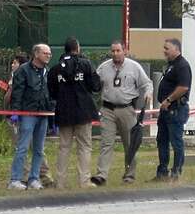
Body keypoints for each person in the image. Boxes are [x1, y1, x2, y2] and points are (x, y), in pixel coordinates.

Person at [92, 41, 153, 185]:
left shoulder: (134, 67)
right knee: (106, 143)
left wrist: (148, 93)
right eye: (113, 51)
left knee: (130, 144)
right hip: (108, 110)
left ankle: (129, 175)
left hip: (126, 109)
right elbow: (94, 84)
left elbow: (147, 83)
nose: (115, 54)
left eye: (118, 50)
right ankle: (101, 175)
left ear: (124, 51)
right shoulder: (104, 68)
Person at [48, 37, 102, 188]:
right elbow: (96, 86)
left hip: (64, 111)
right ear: (77, 48)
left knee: (64, 147)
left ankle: (60, 182)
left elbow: (52, 93)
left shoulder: (55, 69)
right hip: (83, 111)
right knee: (84, 147)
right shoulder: (86, 64)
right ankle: (84, 181)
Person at [9, 43, 53, 190]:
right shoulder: (23, 71)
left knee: (39, 149)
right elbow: (17, 93)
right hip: (28, 113)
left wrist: (51, 115)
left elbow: (49, 94)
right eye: (45, 53)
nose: (48, 55)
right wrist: (15, 112)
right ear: (36, 54)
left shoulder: (47, 72)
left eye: (49, 53)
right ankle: (15, 179)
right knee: (22, 147)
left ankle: (34, 178)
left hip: (43, 114)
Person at [154, 38, 192, 181]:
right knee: (162, 140)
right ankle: (162, 172)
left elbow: (183, 87)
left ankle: (176, 172)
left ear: (176, 49)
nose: (164, 51)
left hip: (176, 109)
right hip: (166, 110)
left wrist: (169, 100)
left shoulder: (182, 65)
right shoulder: (171, 65)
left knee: (176, 142)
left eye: (167, 48)